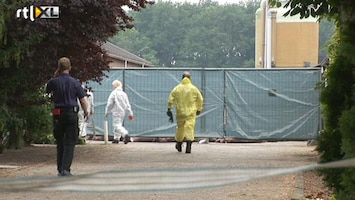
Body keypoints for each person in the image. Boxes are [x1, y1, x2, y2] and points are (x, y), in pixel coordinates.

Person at [46, 57, 88, 176]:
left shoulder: (54, 82)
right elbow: (83, 100)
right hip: (71, 113)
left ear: (59, 67)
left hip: (58, 113)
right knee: (70, 141)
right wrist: (86, 112)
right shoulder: (75, 82)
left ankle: (60, 169)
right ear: (70, 68)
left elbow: (47, 92)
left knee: (60, 141)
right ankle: (66, 169)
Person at [167, 71, 204, 153]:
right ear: (190, 78)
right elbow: (200, 99)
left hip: (180, 112)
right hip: (191, 112)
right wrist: (199, 109)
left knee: (180, 128)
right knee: (189, 128)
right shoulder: (194, 88)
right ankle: (188, 147)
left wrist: (169, 109)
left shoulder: (177, 88)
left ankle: (179, 144)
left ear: (182, 78)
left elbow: (170, 99)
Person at [105, 80, 134, 144]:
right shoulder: (124, 94)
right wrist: (130, 113)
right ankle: (116, 138)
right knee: (119, 124)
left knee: (116, 125)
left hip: (116, 111)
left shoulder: (114, 93)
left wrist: (107, 111)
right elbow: (127, 104)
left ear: (115, 86)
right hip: (123, 112)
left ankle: (125, 134)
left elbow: (110, 104)